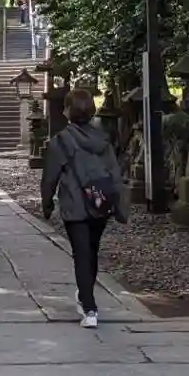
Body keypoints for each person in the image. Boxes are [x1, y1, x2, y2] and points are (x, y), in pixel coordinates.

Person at [41, 87, 127, 326]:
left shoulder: (61, 141)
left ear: (67, 111)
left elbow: (50, 177)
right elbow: (114, 173)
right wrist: (120, 205)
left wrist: (46, 203)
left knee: (81, 254)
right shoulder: (103, 141)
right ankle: (86, 297)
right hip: (100, 202)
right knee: (91, 251)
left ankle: (89, 308)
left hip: (74, 203)